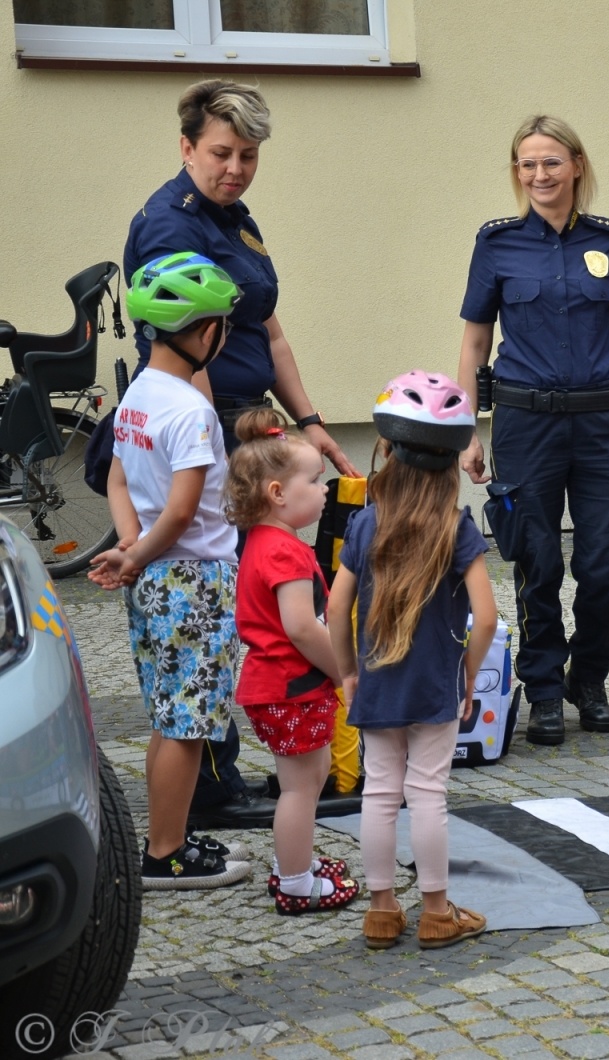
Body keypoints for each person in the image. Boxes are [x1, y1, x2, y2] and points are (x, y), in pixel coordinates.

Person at [126, 79, 359, 830]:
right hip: (215, 428)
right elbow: (182, 344)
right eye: (222, 153)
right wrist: (234, 440)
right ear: (186, 145)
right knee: (221, 601)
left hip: (250, 418)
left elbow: (270, 329)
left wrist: (310, 419)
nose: (236, 167)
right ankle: (211, 783)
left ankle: (225, 765)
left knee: (241, 595)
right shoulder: (170, 226)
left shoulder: (235, 218)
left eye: (250, 155)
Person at [457, 114, 609, 747]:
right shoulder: (496, 244)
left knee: (607, 563)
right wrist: (467, 428)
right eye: (527, 164)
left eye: (550, 162)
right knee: (535, 561)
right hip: (525, 422)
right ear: (517, 172)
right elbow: (475, 341)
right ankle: (543, 688)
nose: (539, 174)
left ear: (575, 165)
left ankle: (588, 677)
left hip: (602, 424)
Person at [88, 252, 253, 891]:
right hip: (195, 582)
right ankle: (164, 856)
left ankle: (170, 835)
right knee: (188, 727)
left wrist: (132, 549)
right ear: (203, 332)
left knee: (168, 716)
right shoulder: (190, 411)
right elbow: (184, 511)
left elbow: (116, 477)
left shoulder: (138, 396)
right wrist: (141, 552)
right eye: (221, 325)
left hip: (156, 579)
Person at [328, 372, 498, 950]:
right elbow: (489, 617)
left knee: (378, 792)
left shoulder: (365, 523)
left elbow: (335, 607)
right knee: (428, 794)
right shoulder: (456, 527)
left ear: (388, 456)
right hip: (434, 685)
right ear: (451, 465)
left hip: (376, 680)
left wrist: (347, 672)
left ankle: (380, 911)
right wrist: (469, 674)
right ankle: (434, 912)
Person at [224, 408, 362, 915]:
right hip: (291, 687)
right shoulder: (286, 553)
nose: (325, 489)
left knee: (310, 776)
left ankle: (294, 864)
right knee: (301, 791)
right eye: (315, 480)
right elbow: (302, 626)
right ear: (278, 493)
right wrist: (345, 671)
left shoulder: (264, 542)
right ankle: (296, 882)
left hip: (280, 687)